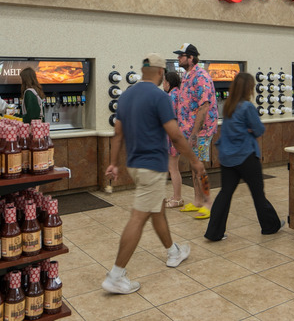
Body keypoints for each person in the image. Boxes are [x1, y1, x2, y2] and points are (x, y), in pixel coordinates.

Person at [102, 53, 203, 294]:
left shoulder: (125, 96)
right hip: (152, 166)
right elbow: (176, 135)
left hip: (134, 165)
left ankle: (173, 251)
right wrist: (195, 160)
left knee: (156, 210)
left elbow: (118, 133)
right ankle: (116, 275)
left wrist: (113, 163)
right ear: (159, 72)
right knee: (138, 217)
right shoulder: (159, 97)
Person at [204, 72, 283, 241]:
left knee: (225, 193)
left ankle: (214, 232)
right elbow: (260, 130)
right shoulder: (247, 107)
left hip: (228, 158)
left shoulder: (228, 107)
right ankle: (270, 226)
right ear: (249, 88)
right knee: (257, 193)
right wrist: (250, 129)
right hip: (246, 156)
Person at [173, 43, 218, 220]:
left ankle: (208, 203)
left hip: (201, 131)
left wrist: (194, 133)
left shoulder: (201, 76)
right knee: (194, 165)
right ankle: (198, 200)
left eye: (181, 55)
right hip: (189, 130)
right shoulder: (187, 76)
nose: (178, 58)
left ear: (191, 58)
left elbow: (204, 106)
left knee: (200, 167)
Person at [163, 72, 184, 208]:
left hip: (172, 136)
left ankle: (177, 198)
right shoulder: (179, 94)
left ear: (169, 83)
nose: (162, 84)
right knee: (173, 168)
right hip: (177, 135)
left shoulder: (171, 97)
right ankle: (176, 196)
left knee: (173, 168)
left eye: (164, 81)